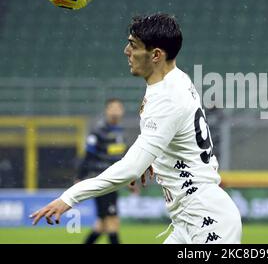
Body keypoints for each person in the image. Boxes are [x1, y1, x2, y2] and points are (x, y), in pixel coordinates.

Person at [31, 13, 242, 244]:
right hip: (188, 220)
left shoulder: (168, 97)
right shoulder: (174, 80)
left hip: (207, 221)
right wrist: (154, 157)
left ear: (156, 55)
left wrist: (70, 197)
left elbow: (130, 169)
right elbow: (178, 135)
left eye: (133, 45)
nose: (126, 51)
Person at [76, 98, 127, 244]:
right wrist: (80, 176)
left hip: (114, 181)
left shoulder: (120, 132)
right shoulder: (98, 131)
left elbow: (123, 158)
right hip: (102, 180)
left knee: (102, 224)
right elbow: (87, 155)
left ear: (122, 111)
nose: (116, 111)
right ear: (107, 110)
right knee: (112, 221)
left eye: (118, 108)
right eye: (113, 108)